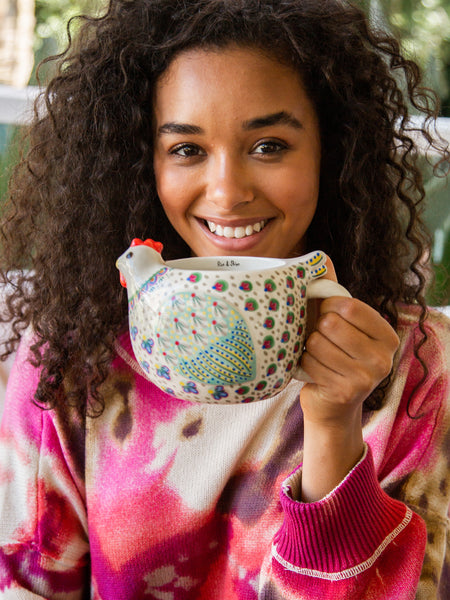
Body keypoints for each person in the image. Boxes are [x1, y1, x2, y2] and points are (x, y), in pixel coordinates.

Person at [0, 0, 449, 597]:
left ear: (332, 151)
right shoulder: (67, 357)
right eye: (187, 149)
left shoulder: (416, 367)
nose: (228, 192)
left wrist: (335, 429)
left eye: (269, 145)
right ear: (143, 163)